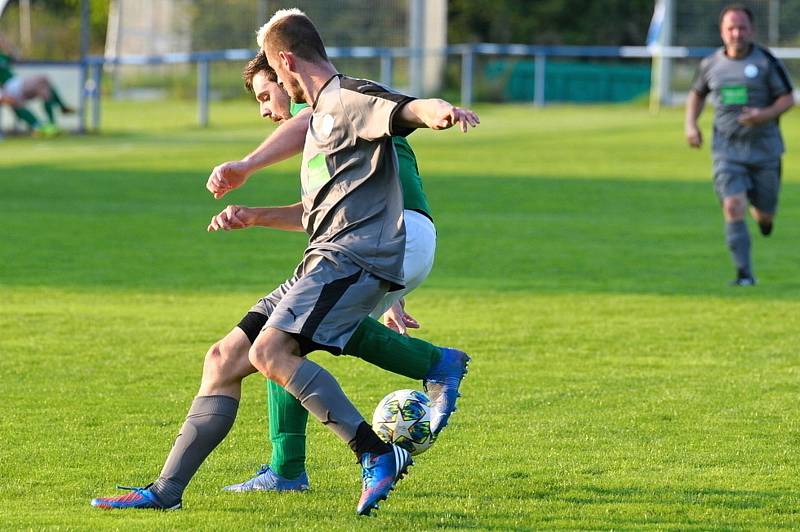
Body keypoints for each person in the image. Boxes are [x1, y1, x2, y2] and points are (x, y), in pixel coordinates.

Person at [91, 8, 478, 516]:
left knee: (271, 353)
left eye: (271, 79)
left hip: (352, 257)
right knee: (224, 358)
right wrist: (249, 192)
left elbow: (405, 108)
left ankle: (376, 453)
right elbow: (318, 196)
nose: (270, 102)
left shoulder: (348, 96)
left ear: (285, 61)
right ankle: (165, 492)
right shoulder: (319, 118)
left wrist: (439, 112)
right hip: (324, 258)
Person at [205, 52, 440, 493]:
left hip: (386, 238)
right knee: (285, 338)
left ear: (285, 72)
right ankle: (287, 468)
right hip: (393, 238)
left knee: (282, 337)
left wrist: (246, 165)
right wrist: (254, 215)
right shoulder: (339, 118)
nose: (265, 110)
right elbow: (326, 212)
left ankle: (437, 366)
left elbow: (313, 123)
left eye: (264, 94)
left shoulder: (325, 108)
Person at [685, 4, 794, 286]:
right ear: (722, 32)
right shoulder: (711, 64)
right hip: (727, 150)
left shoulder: (765, 62)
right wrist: (691, 125)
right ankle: (744, 274)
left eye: (742, 27)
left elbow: (787, 99)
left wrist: (764, 115)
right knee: (733, 205)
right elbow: (697, 95)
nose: (737, 33)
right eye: (730, 28)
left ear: (751, 30)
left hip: (765, 151)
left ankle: (765, 219)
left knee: (765, 212)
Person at [0, 34, 74, 135]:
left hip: (16, 83)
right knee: (43, 79)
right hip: (9, 86)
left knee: (45, 88)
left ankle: (49, 126)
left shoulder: (1, 56)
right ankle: (61, 108)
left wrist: (6, 44)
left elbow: (19, 57)